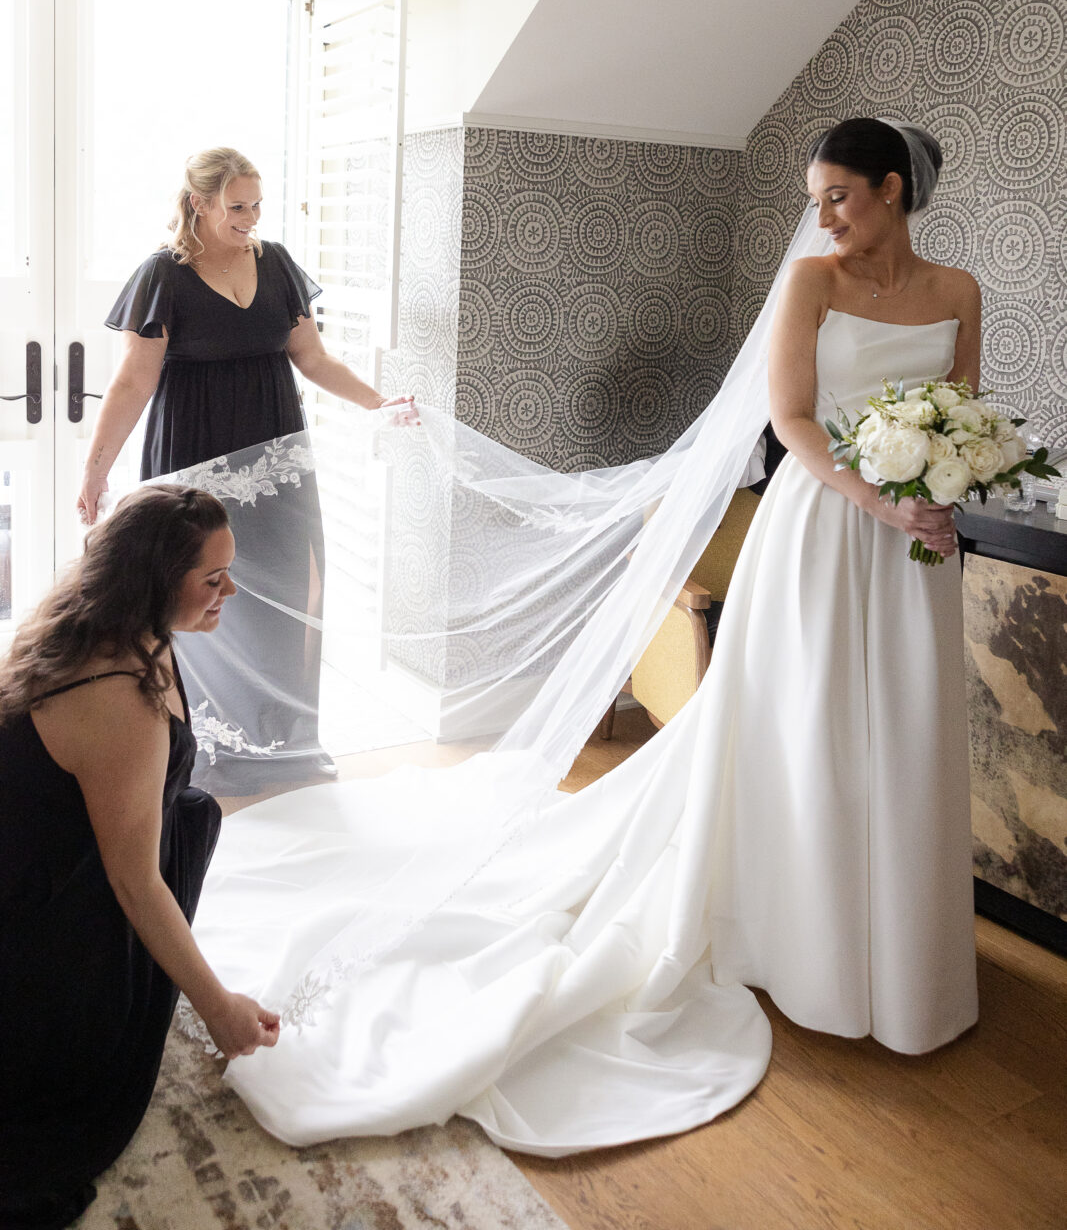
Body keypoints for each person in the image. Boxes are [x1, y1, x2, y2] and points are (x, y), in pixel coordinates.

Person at [188, 116, 981, 1154]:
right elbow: (790, 420)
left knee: (912, 728)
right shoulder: (810, 285)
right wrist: (878, 501)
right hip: (828, 528)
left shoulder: (957, 290)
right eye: (812, 197)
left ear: (889, 188)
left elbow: (960, 406)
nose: (819, 216)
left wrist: (939, 488)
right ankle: (806, 941)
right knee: (807, 724)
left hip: (915, 540)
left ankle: (901, 949)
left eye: (836, 195)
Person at [76, 147, 417, 791]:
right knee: (194, 593)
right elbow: (132, 383)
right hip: (194, 460)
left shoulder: (277, 263)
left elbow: (312, 359)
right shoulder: (163, 276)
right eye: (237, 207)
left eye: (257, 204)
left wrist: (378, 401)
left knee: (291, 591)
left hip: (277, 457)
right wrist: (96, 473)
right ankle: (196, 745)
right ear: (200, 204)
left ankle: (278, 739)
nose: (251, 218)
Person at [0, 485, 280, 1230]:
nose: (231, 590)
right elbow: (133, 879)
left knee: (189, 813)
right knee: (77, 1112)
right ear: (155, 582)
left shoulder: (94, 618)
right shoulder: (117, 694)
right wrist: (217, 1008)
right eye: (212, 579)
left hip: (37, 857)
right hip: (34, 924)